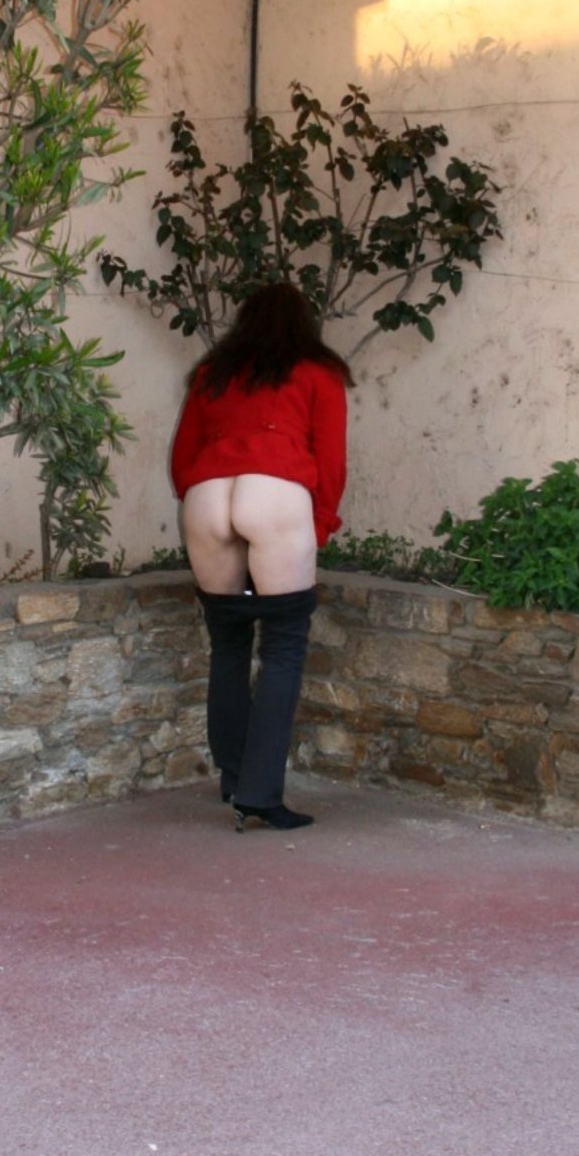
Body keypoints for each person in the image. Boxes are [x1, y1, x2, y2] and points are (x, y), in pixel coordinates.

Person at [169, 281, 351, 830]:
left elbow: (183, 459)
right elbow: (330, 463)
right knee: (284, 647)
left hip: (207, 496)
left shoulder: (212, 374)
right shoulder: (318, 373)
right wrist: (319, 525)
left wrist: (201, 498)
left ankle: (233, 776)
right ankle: (260, 795)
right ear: (304, 322)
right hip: (274, 491)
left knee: (227, 644)